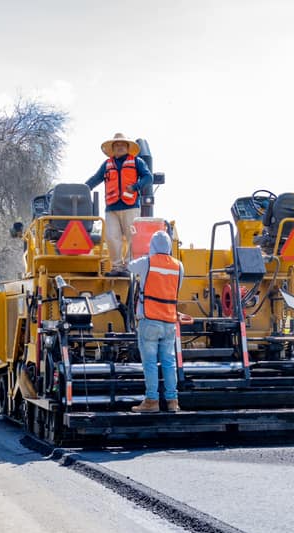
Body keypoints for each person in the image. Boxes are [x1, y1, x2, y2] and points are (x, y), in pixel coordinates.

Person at [130, 230, 184, 413]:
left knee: (150, 363)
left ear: (152, 246)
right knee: (169, 362)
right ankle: (172, 401)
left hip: (150, 320)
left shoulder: (147, 262)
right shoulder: (179, 266)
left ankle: (152, 401)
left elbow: (129, 267)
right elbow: (177, 287)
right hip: (169, 321)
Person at [85, 132, 153, 277]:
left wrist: (135, 187)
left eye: (122, 145)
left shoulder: (137, 162)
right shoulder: (107, 164)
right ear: (113, 148)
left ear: (127, 147)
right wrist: (84, 188)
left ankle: (129, 267)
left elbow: (148, 177)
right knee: (111, 236)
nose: (120, 147)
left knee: (132, 237)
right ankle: (117, 267)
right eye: (117, 145)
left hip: (131, 206)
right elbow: (96, 178)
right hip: (112, 208)